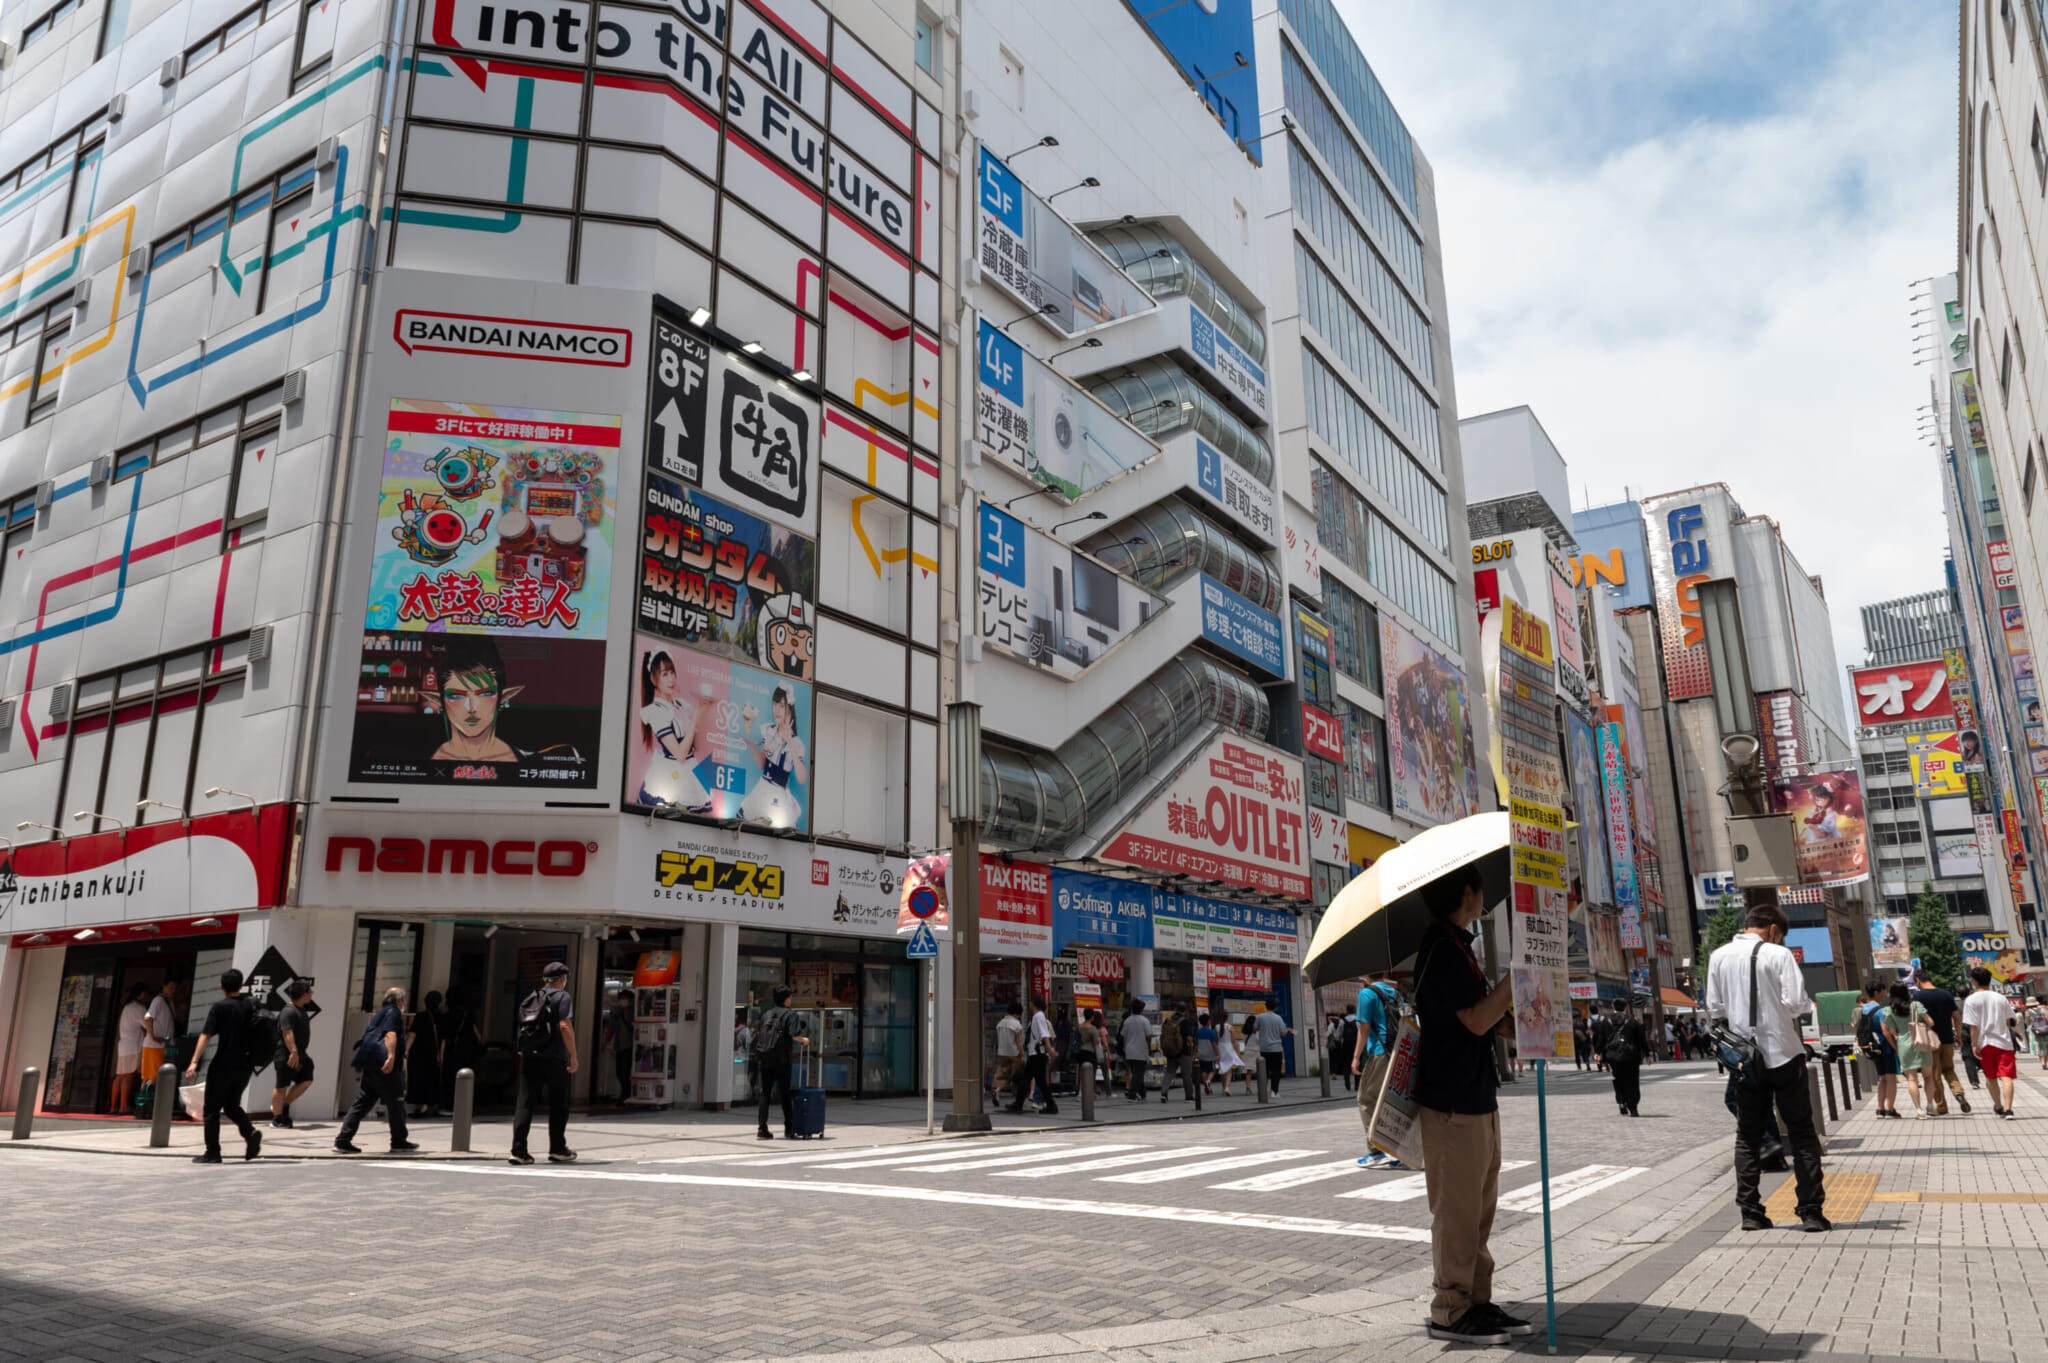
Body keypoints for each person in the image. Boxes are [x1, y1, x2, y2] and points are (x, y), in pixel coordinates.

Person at [1411, 866, 1529, 1345]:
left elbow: (1485, 1021)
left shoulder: (1459, 945)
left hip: (1474, 1096)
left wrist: (1519, 1023)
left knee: (1479, 1209)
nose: (1486, 899)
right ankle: (1451, 1308)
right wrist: (1516, 973)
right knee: (1458, 1212)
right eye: (1482, 891)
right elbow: (1478, 1020)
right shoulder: (1442, 949)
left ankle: (1476, 1300)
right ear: (1467, 893)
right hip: (1452, 1102)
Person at [1705, 902, 1827, 1233]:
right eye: (1780, 936)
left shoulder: (1718, 956)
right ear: (1773, 929)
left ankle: (1750, 1212)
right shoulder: (1778, 955)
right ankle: (1811, 1211)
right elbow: (1795, 1003)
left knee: (1747, 1136)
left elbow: (1714, 1007)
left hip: (1745, 1060)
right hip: (1784, 1054)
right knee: (1801, 1132)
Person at [184, 969, 263, 1164]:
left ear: (221, 987)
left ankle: (213, 1152)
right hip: (245, 1064)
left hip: (223, 1064)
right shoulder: (251, 1004)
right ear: (241, 986)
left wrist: (194, 1062)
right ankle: (249, 1132)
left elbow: (206, 1035)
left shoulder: (220, 1007)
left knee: (211, 1109)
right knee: (231, 1105)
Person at [336, 986, 418, 1155]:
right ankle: (399, 1141)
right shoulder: (393, 1012)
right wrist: (391, 1057)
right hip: (385, 1067)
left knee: (362, 1103)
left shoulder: (380, 1014)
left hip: (370, 1065)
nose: (405, 1003)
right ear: (398, 1001)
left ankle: (343, 1140)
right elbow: (390, 1035)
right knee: (396, 1103)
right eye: (404, 1000)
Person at [510, 961, 579, 1162]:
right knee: (559, 1103)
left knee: (525, 1103)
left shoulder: (531, 997)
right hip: (554, 1058)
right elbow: (565, 1026)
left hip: (529, 1056)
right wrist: (573, 1054)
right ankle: (558, 1148)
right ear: (561, 979)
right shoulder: (562, 997)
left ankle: (519, 1151)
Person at [1353, 970, 1408, 1171]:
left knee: (1366, 1100)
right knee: (1389, 1102)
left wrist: (1356, 1057)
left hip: (1379, 1052)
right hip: (1398, 1051)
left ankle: (1377, 1152)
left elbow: (1364, 1028)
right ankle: (1397, 1151)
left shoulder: (1367, 993)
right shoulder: (1395, 992)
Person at [750, 985, 810, 1138]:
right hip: (782, 1059)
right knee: (784, 1094)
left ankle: (762, 1128)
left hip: (765, 1057)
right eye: (790, 996)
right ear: (787, 998)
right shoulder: (790, 1015)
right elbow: (794, 1035)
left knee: (765, 1093)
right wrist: (804, 1040)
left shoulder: (766, 1015)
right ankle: (789, 1129)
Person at [1963, 967, 2020, 1119]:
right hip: (2004, 1041)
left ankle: (1999, 1106)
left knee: (1991, 1077)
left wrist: (1974, 1045)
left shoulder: (1971, 1000)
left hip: (1985, 1043)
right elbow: (2009, 1020)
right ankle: (2009, 1109)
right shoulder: (2000, 998)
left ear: (1974, 981)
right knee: (2006, 1076)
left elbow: (1973, 1026)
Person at [1912, 969, 1971, 1115]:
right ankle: (1958, 1092)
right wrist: (1958, 1036)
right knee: (1949, 1069)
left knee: (1934, 1075)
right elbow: (1956, 1017)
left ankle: (1942, 1106)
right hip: (1947, 1039)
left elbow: (1914, 1019)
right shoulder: (1946, 994)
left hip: (1929, 1041)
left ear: (1918, 980)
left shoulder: (1917, 996)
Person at [1883, 982, 1933, 1119]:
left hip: (1904, 1044)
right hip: (1921, 1041)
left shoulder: (1889, 1010)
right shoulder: (1916, 1006)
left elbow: (1892, 1031)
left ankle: (1919, 1110)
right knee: (1928, 1076)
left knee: (1912, 1078)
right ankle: (1930, 1105)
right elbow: (1930, 1022)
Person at [269, 981, 316, 1128]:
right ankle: (277, 1118)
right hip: (286, 1054)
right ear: (304, 994)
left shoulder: (300, 1009)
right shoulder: (288, 1011)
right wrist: (293, 1052)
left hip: (301, 1055)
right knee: (281, 1085)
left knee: (307, 1078)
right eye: (310, 992)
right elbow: (287, 1032)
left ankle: (284, 1105)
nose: (311, 995)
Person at [1859, 980, 1900, 1117]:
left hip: (1873, 1047)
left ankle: (1880, 1107)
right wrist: (1895, 1048)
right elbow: (1885, 1031)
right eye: (1883, 991)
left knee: (1883, 1078)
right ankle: (1890, 1108)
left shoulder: (1864, 1009)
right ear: (1877, 992)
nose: (1885, 994)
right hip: (1885, 1048)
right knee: (1891, 1079)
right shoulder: (1881, 1010)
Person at [1014, 996, 1059, 1115]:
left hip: (1037, 1054)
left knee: (1026, 1078)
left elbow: (1044, 1034)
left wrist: (1049, 1049)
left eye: (1030, 1001)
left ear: (1034, 1003)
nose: (1029, 1004)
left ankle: (1018, 1104)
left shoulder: (1039, 1016)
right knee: (1041, 1082)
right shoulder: (1037, 1016)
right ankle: (1051, 1105)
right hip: (1038, 1054)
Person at [442, 986, 485, 1111]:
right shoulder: (468, 1014)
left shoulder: (446, 1015)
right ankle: (463, 1104)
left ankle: (449, 1104)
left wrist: (441, 1054)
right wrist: (481, 1042)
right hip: (466, 1049)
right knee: (466, 1076)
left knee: (450, 1077)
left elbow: (444, 1037)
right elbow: (476, 1031)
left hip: (451, 1050)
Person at [112, 983, 151, 1117]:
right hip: (134, 1045)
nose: (147, 996)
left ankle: (113, 1107)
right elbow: (148, 1025)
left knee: (120, 1076)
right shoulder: (139, 1008)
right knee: (129, 1075)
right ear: (139, 994)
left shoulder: (127, 1007)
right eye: (145, 993)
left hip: (123, 1045)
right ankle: (123, 1106)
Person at [1602, 1004, 1647, 1117]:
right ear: (1626, 1007)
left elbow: (1601, 1039)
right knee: (1632, 1081)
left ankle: (1621, 1102)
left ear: (1613, 1006)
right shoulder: (1632, 1021)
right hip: (1630, 1055)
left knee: (1618, 1079)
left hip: (1613, 1055)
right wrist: (1647, 1054)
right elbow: (1641, 1039)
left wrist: (1599, 1054)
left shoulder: (1606, 1021)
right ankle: (1633, 1108)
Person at [407, 990, 445, 1118]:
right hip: (433, 1054)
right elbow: (443, 1040)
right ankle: (427, 1105)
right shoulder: (441, 1017)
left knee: (418, 1078)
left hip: (418, 1053)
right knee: (430, 1079)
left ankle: (420, 1106)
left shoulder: (420, 1016)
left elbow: (412, 1035)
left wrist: (406, 1049)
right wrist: (441, 1055)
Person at [142, 981, 180, 1102]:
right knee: (153, 1077)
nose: (173, 990)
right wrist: (152, 1036)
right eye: (170, 988)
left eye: (175, 988)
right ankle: (145, 1104)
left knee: (152, 1077)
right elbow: (148, 1017)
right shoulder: (158, 1001)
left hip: (161, 1045)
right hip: (155, 1045)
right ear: (163, 987)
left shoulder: (166, 1002)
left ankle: (145, 1105)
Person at [1247, 1001, 1291, 1095]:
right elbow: (1283, 1033)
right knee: (1276, 1071)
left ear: (1266, 1007)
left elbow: (1254, 1029)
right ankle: (1274, 1091)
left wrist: (1263, 1029)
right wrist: (1288, 1030)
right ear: (1274, 1007)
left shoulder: (1260, 1017)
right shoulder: (1278, 1018)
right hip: (1276, 1048)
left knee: (1264, 1071)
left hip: (1264, 1048)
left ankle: (1262, 1090)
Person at [604, 989, 636, 1105]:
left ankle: (626, 1095)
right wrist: (605, 1043)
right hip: (619, 1047)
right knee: (619, 1072)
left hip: (630, 1046)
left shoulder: (635, 1012)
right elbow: (612, 1028)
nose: (623, 1001)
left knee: (625, 1072)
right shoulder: (617, 1013)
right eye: (621, 999)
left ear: (631, 1000)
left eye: (625, 999)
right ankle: (624, 1094)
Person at [994, 1001, 1025, 1103]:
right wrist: (1022, 1055)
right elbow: (1019, 1042)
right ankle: (1018, 1100)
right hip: (1014, 1053)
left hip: (1003, 1053)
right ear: (1017, 1013)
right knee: (1016, 1076)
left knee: (1004, 1074)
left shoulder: (1000, 1023)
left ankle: (997, 1090)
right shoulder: (1017, 1025)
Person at [1119, 1001, 1151, 1100]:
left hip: (1129, 1050)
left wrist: (1126, 1046)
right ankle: (1132, 1094)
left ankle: (1142, 1093)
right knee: (1138, 1073)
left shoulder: (1127, 1021)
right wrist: (1148, 1047)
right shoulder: (1145, 1021)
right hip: (1141, 1050)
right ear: (1142, 1009)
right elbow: (1148, 1036)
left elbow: (1123, 1036)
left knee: (1136, 1072)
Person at [1214, 1012, 1243, 1096]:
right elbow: (1234, 1041)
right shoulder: (1230, 1027)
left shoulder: (1216, 1027)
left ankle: (1223, 1089)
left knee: (1222, 1068)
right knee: (1229, 1070)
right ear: (1227, 1018)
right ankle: (1227, 1087)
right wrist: (1237, 1052)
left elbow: (1216, 1040)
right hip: (1228, 1048)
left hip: (1220, 1048)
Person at [1330, 1012, 1358, 1093]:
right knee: (1357, 1065)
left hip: (1345, 1046)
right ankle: (1357, 1084)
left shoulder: (1342, 1021)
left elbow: (1338, 1034)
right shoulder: (1357, 1020)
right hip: (1355, 1045)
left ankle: (1347, 1082)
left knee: (1346, 1065)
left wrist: (1341, 1042)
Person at [1194, 1012, 1218, 1095]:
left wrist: (1195, 1054)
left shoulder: (1198, 1032)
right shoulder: (1211, 1031)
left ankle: (1207, 1086)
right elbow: (1214, 1044)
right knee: (1213, 1070)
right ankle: (1208, 1082)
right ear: (1208, 1021)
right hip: (1210, 1054)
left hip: (1201, 1054)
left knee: (1204, 1071)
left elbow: (1196, 1044)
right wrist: (1218, 1054)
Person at [2029, 996, 2048, 1070]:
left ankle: (2042, 1063)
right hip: (2045, 1030)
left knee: (2039, 1047)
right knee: (2046, 1047)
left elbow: (2027, 1023)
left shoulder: (2028, 1012)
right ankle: (2045, 1063)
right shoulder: (2043, 1010)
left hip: (2035, 1032)